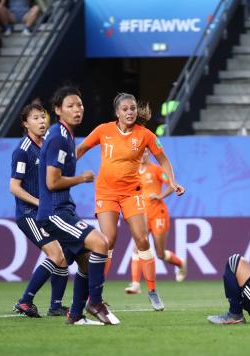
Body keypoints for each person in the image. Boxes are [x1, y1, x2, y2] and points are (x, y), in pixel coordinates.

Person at [76, 93, 185, 311]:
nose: (129, 112)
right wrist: (61, 167)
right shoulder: (103, 130)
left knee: (142, 239)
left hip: (132, 193)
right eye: (125, 109)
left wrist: (172, 182)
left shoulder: (145, 135)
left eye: (133, 108)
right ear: (117, 112)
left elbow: (163, 159)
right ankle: (96, 294)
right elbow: (80, 150)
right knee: (108, 241)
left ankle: (152, 291)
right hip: (106, 193)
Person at [37, 86, 118, 325]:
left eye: (79, 105)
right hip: (54, 212)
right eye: (70, 106)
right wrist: (80, 179)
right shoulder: (59, 137)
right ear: (58, 109)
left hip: (63, 209)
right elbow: (52, 182)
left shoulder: (66, 136)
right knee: (101, 243)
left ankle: (74, 315)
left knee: (86, 260)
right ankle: (95, 302)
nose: (77, 109)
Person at [11, 103, 69, 318]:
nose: (42, 121)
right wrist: (37, 202)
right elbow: (14, 187)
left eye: (43, 117)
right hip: (29, 214)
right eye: (35, 118)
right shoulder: (23, 150)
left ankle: (55, 306)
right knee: (56, 254)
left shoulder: (46, 145)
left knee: (62, 257)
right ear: (26, 123)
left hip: (46, 212)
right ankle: (25, 301)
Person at [124, 148, 188, 294]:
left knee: (159, 253)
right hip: (142, 214)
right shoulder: (132, 172)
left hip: (158, 214)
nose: (142, 155)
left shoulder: (156, 170)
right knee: (137, 246)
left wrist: (160, 196)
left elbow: (172, 185)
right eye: (140, 152)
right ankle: (135, 284)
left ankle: (181, 263)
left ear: (148, 154)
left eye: (145, 152)